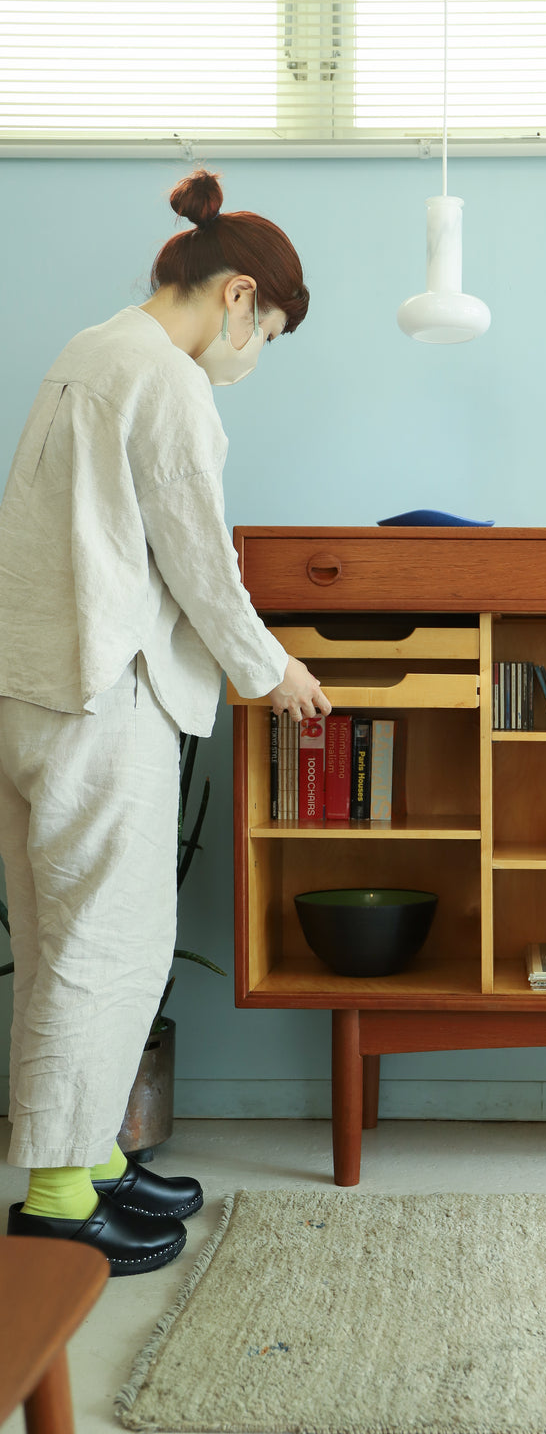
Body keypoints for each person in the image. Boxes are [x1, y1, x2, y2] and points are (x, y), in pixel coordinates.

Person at [0, 169, 331, 1276]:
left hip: (29, 683)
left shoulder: (88, 351)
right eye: (265, 334)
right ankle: (58, 1203)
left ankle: (93, 1161)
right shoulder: (170, 381)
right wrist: (274, 671)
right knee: (107, 945)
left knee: (58, 938)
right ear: (238, 296)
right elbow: (199, 562)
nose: (253, 358)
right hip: (103, 692)